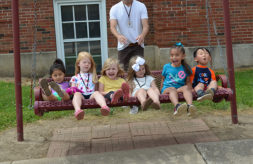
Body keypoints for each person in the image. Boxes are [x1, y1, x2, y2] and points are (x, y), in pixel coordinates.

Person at [110, 0, 149, 71]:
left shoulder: (141, 6)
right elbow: (112, 27)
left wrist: (142, 35)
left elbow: (146, 26)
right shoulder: (114, 8)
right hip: (123, 46)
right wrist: (118, 36)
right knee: (122, 72)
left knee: (139, 71)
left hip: (138, 45)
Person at [70, 52, 110, 120]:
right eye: (84, 62)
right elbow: (73, 90)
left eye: (89, 63)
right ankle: (78, 111)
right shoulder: (75, 77)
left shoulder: (93, 76)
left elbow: (96, 89)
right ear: (78, 64)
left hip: (91, 95)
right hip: (81, 95)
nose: (87, 64)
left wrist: (95, 93)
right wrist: (74, 90)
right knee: (76, 94)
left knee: (97, 93)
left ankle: (104, 107)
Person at [161, 43, 196, 116]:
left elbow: (188, 81)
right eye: (172, 55)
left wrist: (190, 89)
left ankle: (189, 107)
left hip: (178, 89)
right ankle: (177, 106)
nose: (174, 57)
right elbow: (162, 79)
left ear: (183, 56)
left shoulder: (185, 68)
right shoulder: (166, 67)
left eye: (177, 55)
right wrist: (161, 91)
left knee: (186, 87)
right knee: (172, 89)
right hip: (167, 89)